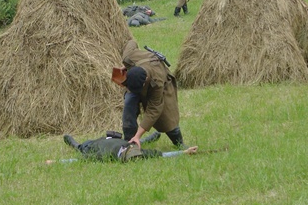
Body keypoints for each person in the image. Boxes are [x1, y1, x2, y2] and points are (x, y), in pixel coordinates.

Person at [112, 39, 187, 149]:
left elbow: (154, 109)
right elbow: (131, 42)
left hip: (161, 84)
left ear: (146, 80)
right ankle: (129, 142)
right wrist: (128, 66)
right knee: (129, 105)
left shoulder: (157, 81)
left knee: (167, 117)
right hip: (136, 77)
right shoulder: (128, 57)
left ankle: (179, 144)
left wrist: (138, 135)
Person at [48, 134, 198, 163]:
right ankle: (72, 142)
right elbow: (79, 160)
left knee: (134, 140)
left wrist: (184, 152)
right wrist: (57, 162)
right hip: (93, 145)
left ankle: (149, 138)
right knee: (80, 148)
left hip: (106, 141)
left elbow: (161, 155)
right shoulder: (104, 155)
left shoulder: (138, 154)